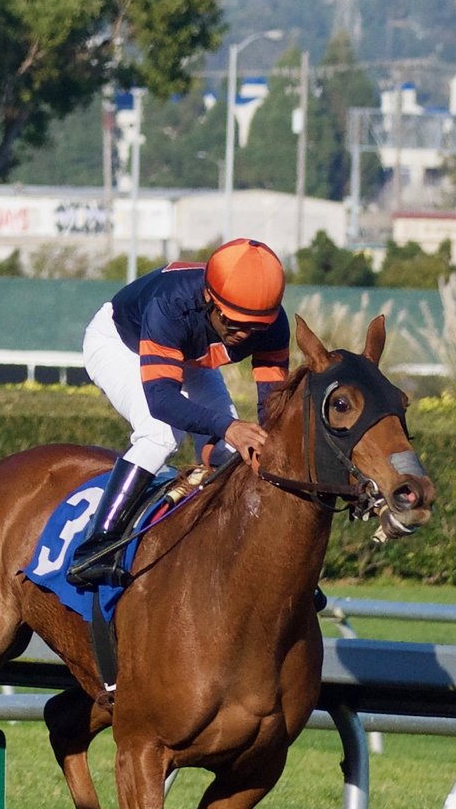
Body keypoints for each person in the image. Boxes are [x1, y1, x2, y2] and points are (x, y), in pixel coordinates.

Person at [65, 237, 291, 589]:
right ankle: (96, 547)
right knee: (160, 433)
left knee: (232, 454)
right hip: (121, 343)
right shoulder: (171, 304)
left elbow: (272, 403)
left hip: (190, 356)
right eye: (234, 323)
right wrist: (229, 425)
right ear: (209, 300)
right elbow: (162, 400)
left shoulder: (273, 323)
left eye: (256, 328)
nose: (245, 335)